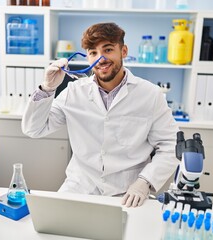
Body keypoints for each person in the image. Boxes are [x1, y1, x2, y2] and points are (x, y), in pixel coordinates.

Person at [21, 22, 179, 207]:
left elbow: (171, 145)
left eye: (108, 49)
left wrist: (144, 182)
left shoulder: (150, 94)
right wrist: (47, 88)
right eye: (93, 52)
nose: (100, 58)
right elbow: (34, 129)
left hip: (129, 192)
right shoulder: (74, 92)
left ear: (124, 51)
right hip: (80, 187)